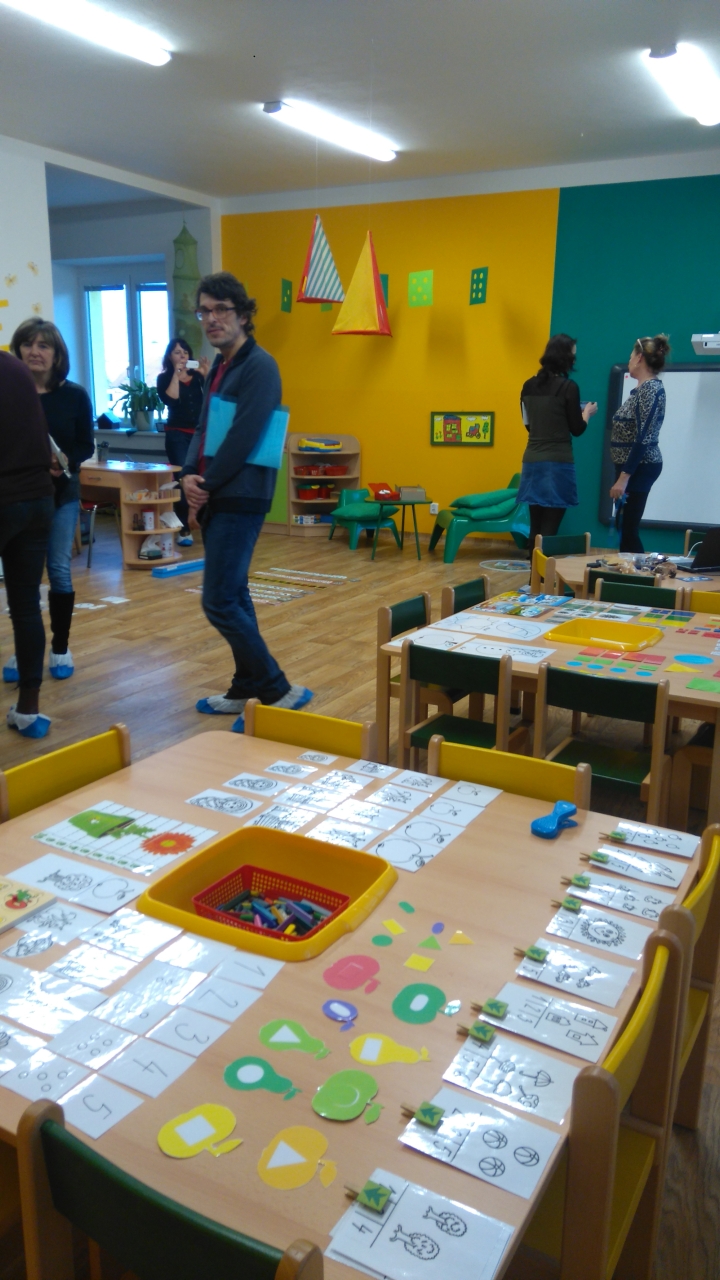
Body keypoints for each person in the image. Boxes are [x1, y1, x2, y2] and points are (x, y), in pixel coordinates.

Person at [181, 271, 311, 729]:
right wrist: (188, 474)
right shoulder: (220, 367)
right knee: (234, 594)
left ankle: (278, 690)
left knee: (218, 601)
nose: (212, 319)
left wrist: (205, 484)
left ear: (243, 314)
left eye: (221, 309)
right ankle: (245, 686)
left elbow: (245, 435)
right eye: (204, 311)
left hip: (241, 494)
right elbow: (202, 428)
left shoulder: (260, 366)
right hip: (217, 490)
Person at [7, 318, 94, 681]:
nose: (34, 352)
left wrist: (65, 463)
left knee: (58, 570)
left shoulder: (74, 395)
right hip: (19, 498)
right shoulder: (10, 392)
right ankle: (25, 651)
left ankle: (60, 646)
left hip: (61, 496)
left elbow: (85, 444)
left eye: (44, 345)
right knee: (22, 580)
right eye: (28, 344)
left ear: (57, 354)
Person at [0, 351, 55, 738]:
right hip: (37, 499)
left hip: (4, 497)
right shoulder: (15, 368)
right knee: (26, 606)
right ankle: (29, 710)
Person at [519, 334, 598, 551]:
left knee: (535, 527)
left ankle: (533, 570)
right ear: (566, 358)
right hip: (557, 462)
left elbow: (528, 424)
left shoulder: (527, 386)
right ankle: (542, 570)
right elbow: (577, 429)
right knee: (550, 528)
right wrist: (587, 413)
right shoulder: (568, 388)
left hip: (532, 461)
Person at [609, 335, 670, 554]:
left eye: (630, 356)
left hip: (640, 467)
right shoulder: (641, 390)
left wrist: (623, 478)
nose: (629, 361)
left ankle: (640, 573)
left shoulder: (650, 390)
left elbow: (643, 437)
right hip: (631, 468)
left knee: (628, 529)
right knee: (624, 527)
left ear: (639, 358)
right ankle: (628, 571)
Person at [156, 338, 208, 546]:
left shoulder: (198, 377)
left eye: (185, 352)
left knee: (201, 477)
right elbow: (172, 399)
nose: (182, 356)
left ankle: (199, 520)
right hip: (177, 434)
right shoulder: (164, 378)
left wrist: (206, 375)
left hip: (198, 434)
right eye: (177, 352)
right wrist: (176, 375)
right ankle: (183, 528)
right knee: (182, 477)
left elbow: (212, 398)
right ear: (170, 356)